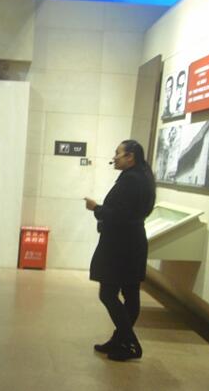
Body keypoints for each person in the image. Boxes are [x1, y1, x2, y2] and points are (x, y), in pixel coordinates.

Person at [83, 139, 156, 362]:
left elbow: (120, 215)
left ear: (130, 156)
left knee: (108, 293)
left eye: (118, 153)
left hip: (121, 246)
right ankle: (120, 340)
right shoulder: (142, 177)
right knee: (130, 294)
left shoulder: (132, 180)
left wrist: (96, 208)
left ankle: (130, 342)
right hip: (132, 242)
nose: (114, 157)